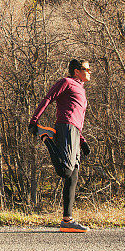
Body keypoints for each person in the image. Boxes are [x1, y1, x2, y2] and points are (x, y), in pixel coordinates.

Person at [29, 59, 91, 232]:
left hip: (75, 132)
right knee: (65, 171)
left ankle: (67, 220)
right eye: (86, 69)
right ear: (76, 71)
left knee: (73, 176)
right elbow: (48, 98)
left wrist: (82, 140)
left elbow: (77, 117)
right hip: (66, 127)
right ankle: (45, 137)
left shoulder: (81, 89)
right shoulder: (66, 82)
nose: (89, 72)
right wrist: (34, 120)